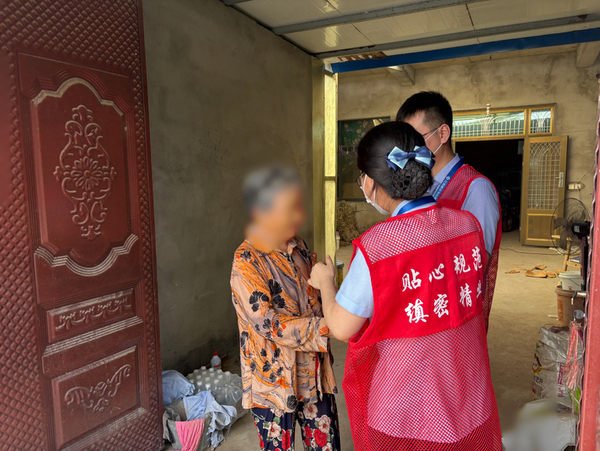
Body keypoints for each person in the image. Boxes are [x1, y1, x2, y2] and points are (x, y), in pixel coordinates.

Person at [308, 122, 502, 451]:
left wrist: (326, 282)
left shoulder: (378, 246)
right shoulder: (467, 225)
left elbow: (341, 326)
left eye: (362, 177)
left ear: (371, 182)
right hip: (468, 396)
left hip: (406, 406)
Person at [230, 165, 341, 451]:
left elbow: (314, 301)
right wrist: (330, 326)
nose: (296, 216)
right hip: (274, 383)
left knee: (326, 445)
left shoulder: (299, 246)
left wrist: (332, 297)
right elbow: (267, 323)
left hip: (313, 374)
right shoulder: (246, 260)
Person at [396, 91, 501, 331]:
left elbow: (475, 266)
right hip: (421, 312)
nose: (409, 150)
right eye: (404, 142)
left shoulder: (476, 189)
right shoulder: (417, 187)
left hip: (455, 319)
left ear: (442, 134)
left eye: (416, 139)